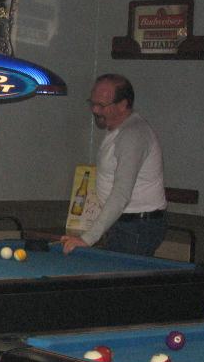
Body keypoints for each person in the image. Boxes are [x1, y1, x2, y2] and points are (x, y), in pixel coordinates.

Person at [61, 74, 167, 256]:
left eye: (102, 105)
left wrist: (87, 238)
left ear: (123, 104)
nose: (95, 109)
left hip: (137, 226)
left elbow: (121, 192)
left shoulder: (133, 135)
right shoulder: (120, 129)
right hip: (127, 223)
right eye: (92, 103)